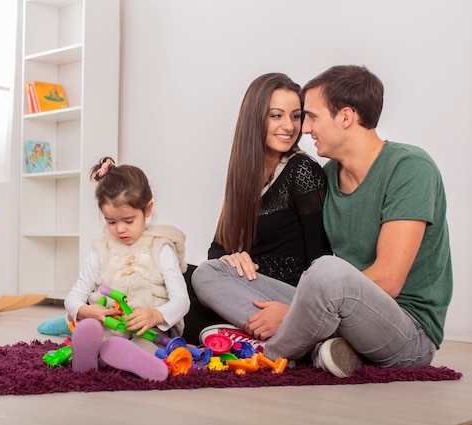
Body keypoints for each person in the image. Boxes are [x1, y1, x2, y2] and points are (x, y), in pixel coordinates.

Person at [193, 65, 453, 378]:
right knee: (209, 273)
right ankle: (320, 345)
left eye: (310, 116)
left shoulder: (410, 168)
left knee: (327, 270)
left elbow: (388, 280)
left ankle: (270, 355)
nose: (304, 128)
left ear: (345, 117)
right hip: (338, 312)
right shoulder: (329, 175)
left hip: (407, 331)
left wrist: (293, 314)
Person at [186, 72, 331, 344]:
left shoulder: (302, 171)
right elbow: (218, 248)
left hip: (291, 299)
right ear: (255, 117)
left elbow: (319, 261)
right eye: (276, 115)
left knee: (204, 277)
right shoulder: (245, 176)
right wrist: (233, 257)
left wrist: (292, 309)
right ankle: (243, 337)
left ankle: (291, 335)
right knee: (179, 275)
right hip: (249, 291)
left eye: (296, 116)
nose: (289, 126)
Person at [40, 157, 190, 381]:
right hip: (111, 326)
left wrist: (155, 315)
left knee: (145, 345)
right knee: (98, 337)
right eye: (111, 222)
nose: (120, 229)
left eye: (129, 220)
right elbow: (74, 297)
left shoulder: (160, 247)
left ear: (147, 209)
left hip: (149, 329)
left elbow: (182, 300)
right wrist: (83, 311)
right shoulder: (101, 250)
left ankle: (125, 359)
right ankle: (99, 356)